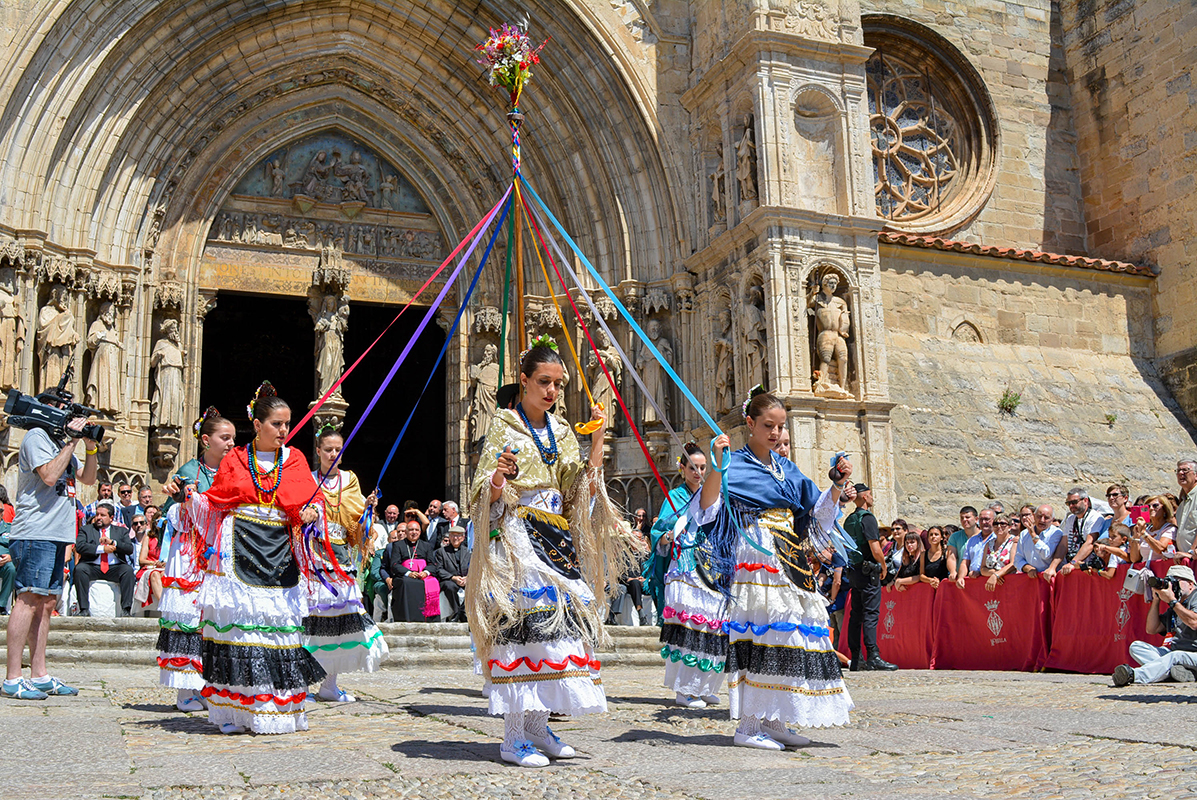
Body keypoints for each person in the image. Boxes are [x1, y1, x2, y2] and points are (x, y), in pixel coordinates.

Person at [465, 341, 635, 768]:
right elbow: (481, 489)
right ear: (523, 381)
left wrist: (597, 439)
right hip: (520, 537)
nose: (552, 391)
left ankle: (539, 728)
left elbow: (577, 489)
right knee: (523, 632)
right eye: (544, 382)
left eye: (558, 384)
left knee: (555, 636)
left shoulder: (561, 431)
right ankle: (513, 736)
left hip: (555, 537)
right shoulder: (503, 425)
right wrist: (499, 480)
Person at [696, 388, 854, 751]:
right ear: (749, 423)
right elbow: (707, 509)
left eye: (781, 427)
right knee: (763, 633)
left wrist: (837, 485)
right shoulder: (733, 463)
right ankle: (748, 727)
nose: (777, 433)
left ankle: (774, 719)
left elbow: (818, 516)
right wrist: (717, 467)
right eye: (768, 425)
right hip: (758, 555)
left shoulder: (787, 468)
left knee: (790, 635)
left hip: (790, 556)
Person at [177, 383, 326, 734]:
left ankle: (274, 707)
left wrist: (311, 514)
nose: (284, 431)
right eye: (277, 424)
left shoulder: (296, 460)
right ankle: (236, 711)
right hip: (239, 546)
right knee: (242, 631)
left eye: (288, 424)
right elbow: (216, 502)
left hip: (279, 550)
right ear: (258, 426)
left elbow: (313, 501)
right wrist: (191, 498)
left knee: (278, 630)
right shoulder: (235, 459)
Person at [157, 406, 236, 712]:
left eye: (232, 438)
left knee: (212, 621)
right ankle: (185, 690)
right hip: (191, 555)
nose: (230, 444)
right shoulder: (189, 472)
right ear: (206, 440)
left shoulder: (234, 473)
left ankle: (206, 683)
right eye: (224, 438)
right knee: (188, 619)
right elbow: (168, 515)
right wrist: (182, 502)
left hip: (220, 556)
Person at [305, 426, 387, 703]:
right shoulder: (308, 479)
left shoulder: (349, 480)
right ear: (318, 451)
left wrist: (367, 510)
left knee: (339, 622)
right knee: (310, 621)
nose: (332, 454)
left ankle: (330, 683)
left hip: (339, 557)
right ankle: (301, 685)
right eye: (327, 449)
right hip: (312, 555)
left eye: (337, 449)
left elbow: (356, 523)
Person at [652, 442, 728, 709]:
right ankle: (684, 689)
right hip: (684, 568)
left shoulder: (714, 495)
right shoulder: (673, 497)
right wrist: (668, 535)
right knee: (689, 627)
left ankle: (705, 685)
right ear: (682, 468)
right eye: (693, 467)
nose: (698, 472)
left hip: (709, 567)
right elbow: (658, 532)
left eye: (703, 467)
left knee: (713, 626)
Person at [842, 481, 897, 671]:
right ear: (865, 496)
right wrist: (883, 566)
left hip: (854, 571)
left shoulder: (849, 520)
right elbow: (875, 548)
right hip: (868, 572)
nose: (873, 497)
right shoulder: (868, 518)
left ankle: (856, 658)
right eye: (871, 494)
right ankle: (873, 655)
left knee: (855, 614)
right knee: (871, 614)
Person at [1113, 564, 1197, 686]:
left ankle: (1134, 675)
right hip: (1175, 653)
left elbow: (1194, 623)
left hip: (1192, 654)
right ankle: (1177, 672)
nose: (1172, 585)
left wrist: (1172, 601)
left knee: (1175, 656)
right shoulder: (1177, 604)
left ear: (1190, 584)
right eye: (1170, 581)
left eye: (1176, 581)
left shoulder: (1194, 598)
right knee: (1136, 647)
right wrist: (1156, 601)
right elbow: (1152, 629)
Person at [73, 502, 135, 616]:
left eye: (102, 515)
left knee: (128, 571)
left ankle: (126, 610)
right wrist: (102, 549)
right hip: (93, 566)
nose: (98, 518)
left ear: (111, 518)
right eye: (97, 515)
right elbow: (80, 546)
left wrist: (113, 543)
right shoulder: (86, 530)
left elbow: (129, 548)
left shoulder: (121, 531)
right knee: (80, 569)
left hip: (114, 567)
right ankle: (84, 609)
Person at [383, 519, 439, 622]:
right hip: (404, 575)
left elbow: (432, 564)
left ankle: (429, 618)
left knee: (433, 582)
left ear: (420, 532)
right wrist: (408, 573)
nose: (414, 532)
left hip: (422, 575)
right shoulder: (398, 545)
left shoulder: (426, 545)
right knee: (406, 582)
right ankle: (408, 617)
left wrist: (425, 572)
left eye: (416, 530)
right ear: (406, 532)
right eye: (411, 530)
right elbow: (394, 564)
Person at [1057, 488, 1106, 574]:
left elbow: (1090, 543)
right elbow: (1063, 545)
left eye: (1074, 502)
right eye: (1068, 503)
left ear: (1085, 500)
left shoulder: (1095, 517)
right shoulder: (1071, 519)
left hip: (1087, 568)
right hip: (1072, 566)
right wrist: (1052, 567)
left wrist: (1073, 562)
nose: (1071, 506)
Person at [431, 524, 470, 622]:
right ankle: (458, 613)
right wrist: (454, 578)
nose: (455, 538)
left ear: (463, 537)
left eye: (458, 535)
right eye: (453, 535)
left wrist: (468, 578)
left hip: (467, 579)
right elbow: (439, 569)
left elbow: (474, 568)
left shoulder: (469, 551)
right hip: (450, 580)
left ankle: (465, 612)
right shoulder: (441, 552)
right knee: (450, 587)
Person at [1015, 505, 1064, 579]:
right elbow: (1018, 559)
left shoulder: (1056, 533)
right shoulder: (1024, 534)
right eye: (1039, 516)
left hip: (1048, 579)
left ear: (1052, 519)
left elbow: (1046, 554)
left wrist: (1033, 535)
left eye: (1046, 518)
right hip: (1030, 579)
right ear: (1034, 516)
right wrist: (1027, 568)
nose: (1042, 520)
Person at [132, 514, 165, 611]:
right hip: (151, 568)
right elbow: (142, 560)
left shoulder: (171, 539)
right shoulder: (148, 538)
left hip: (164, 568)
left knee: (164, 575)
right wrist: (155, 563)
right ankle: (163, 605)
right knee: (155, 574)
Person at [979, 517, 1017, 591]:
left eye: (1002, 524)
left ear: (1009, 527)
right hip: (992, 585)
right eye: (996, 524)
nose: (999, 526)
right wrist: (994, 574)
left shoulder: (1014, 542)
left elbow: (1013, 564)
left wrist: (997, 575)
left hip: (1010, 584)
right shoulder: (989, 544)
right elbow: (983, 569)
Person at [946, 506, 979, 581]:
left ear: (976, 519)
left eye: (967, 517)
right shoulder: (955, 537)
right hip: (960, 577)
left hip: (978, 577)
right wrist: (952, 571)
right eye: (962, 518)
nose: (964, 520)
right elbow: (951, 557)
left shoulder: (983, 536)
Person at [1173, 458, 1197, 554]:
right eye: (1178, 471)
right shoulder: (1182, 504)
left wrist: (1192, 550)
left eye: (1185, 470)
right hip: (1186, 558)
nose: (1180, 473)